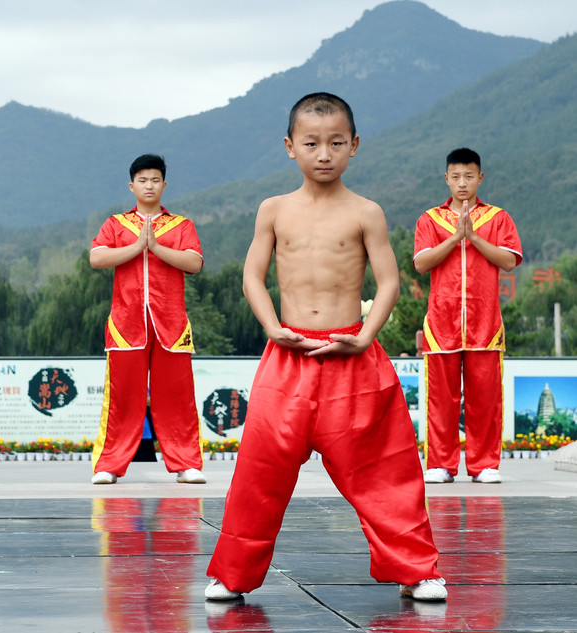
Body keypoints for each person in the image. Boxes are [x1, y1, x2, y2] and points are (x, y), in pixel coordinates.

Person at [205, 93, 446, 602]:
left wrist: (366, 336)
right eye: (311, 143)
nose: (324, 154)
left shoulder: (366, 212)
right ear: (289, 146)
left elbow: (389, 282)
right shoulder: (274, 210)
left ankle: (417, 570)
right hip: (287, 357)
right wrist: (272, 326)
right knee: (259, 471)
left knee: (385, 469)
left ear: (354, 146)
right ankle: (231, 575)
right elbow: (252, 276)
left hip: (352, 357)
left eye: (336, 143)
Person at [89, 154, 206, 485]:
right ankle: (109, 464)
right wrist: (139, 245)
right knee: (122, 397)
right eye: (142, 180)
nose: (149, 185)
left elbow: (194, 263)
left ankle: (186, 464)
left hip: (172, 324)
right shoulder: (116, 224)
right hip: (125, 324)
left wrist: (154, 246)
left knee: (178, 397)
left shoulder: (181, 225)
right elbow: (97, 258)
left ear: (164, 185)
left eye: (155, 180)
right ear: (132, 186)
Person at [414, 148, 522, 485]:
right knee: (441, 400)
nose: (463, 183)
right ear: (446, 179)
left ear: (480, 178)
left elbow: (509, 261)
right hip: (442, 323)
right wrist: (456, 238)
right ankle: (440, 465)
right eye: (456, 176)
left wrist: (473, 237)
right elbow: (421, 263)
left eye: (469, 176)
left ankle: (484, 465)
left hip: (485, 324)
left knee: (484, 399)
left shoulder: (498, 219)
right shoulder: (430, 219)